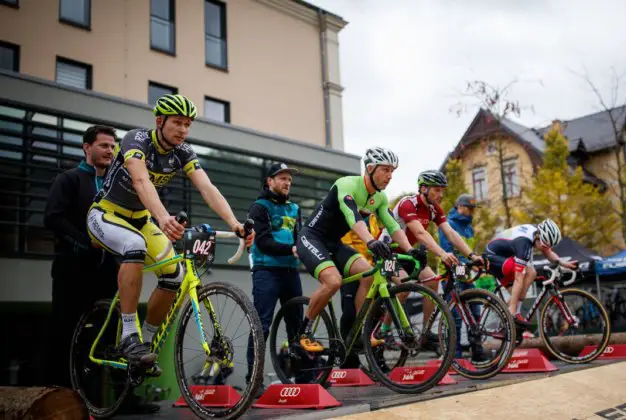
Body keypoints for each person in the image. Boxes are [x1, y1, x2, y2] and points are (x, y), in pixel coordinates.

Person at [86, 94, 255, 369]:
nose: (183, 130)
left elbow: (207, 188)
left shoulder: (183, 152)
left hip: (141, 219)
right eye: (177, 123)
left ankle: (147, 343)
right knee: (134, 246)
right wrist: (163, 218)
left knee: (174, 276)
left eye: (188, 124)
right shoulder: (136, 140)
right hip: (106, 214)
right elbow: (141, 180)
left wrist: (235, 223)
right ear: (160, 121)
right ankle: (129, 334)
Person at [294, 147, 423, 352]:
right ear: (370, 168)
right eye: (386, 170)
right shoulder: (347, 184)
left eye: (392, 171)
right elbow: (352, 217)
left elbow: (392, 225)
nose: (390, 176)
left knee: (368, 276)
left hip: (334, 243)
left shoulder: (379, 198)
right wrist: (371, 241)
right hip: (311, 237)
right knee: (333, 281)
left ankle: (361, 331)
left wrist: (410, 250)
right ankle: (303, 332)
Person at [44, 125, 118, 388]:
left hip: (107, 270)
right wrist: (85, 242)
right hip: (72, 269)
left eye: (113, 145)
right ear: (87, 147)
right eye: (104, 145)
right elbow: (53, 218)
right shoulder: (69, 179)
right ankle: (61, 395)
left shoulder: (115, 185)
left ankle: (121, 399)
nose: (110, 150)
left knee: (113, 334)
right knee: (66, 334)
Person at [388, 171, 484, 343]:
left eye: (442, 190)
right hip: (388, 254)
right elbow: (420, 233)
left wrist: (471, 255)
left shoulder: (434, 209)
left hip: (408, 255)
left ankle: (425, 333)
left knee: (432, 281)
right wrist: (442, 253)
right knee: (405, 287)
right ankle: (384, 331)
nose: (441, 195)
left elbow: (450, 233)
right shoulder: (408, 204)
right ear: (424, 188)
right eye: (437, 190)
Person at [246, 162, 302, 386]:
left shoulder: (296, 208)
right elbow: (263, 241)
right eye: (282, 178)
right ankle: (254, 380)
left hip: (291, 272)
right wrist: (292, 249)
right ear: (269, 181)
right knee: (262, 325)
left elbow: (300, 237)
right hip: (266, 271)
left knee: (297, 326)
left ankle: (303, 377)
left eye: (289, 179)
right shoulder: (259, 207)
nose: (287, 182)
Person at [484, 219, 576, 327]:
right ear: (538, 237)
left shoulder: (536, 233)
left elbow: (548, 252)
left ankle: (498, 316)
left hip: (502, 258)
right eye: (545, 245)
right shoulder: (524, 243)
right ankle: (512, 313)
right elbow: (519, 277)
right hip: (492, 257)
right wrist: (513, 309)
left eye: (549, 246)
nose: (546, 249)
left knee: (516, 295)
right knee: (530, 273)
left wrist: (563, 263)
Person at [438, 193, 482, 359]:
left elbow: (468, 250)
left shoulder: (469, 228)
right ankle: (454, 355)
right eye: (470, 209)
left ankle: (477, 351)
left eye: (473, 209)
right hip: (450, 273)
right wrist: (466, 262)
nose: (472, 212)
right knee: (455, 316)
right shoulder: (448, 224)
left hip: (465, 273)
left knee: (475, 310)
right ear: (460, 207)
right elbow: (448, 249)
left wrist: (475, 262)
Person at [339, 210, 381, 367]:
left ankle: (376, 360)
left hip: (370, 271)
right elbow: (346, 246)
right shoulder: (348, 215)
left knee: (376, 310)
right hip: (350, 267)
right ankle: (348, 360)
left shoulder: (372, 218)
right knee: (349, 312)